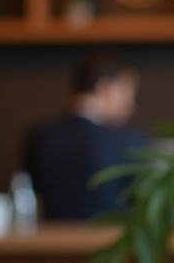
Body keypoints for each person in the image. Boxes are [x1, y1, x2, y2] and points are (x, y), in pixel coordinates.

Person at [24, 52, 146, 219]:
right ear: (106, 88)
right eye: (128, 92)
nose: (131, 105)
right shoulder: (128, 141)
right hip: (113, 242)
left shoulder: (37, 137)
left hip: (48, 242)